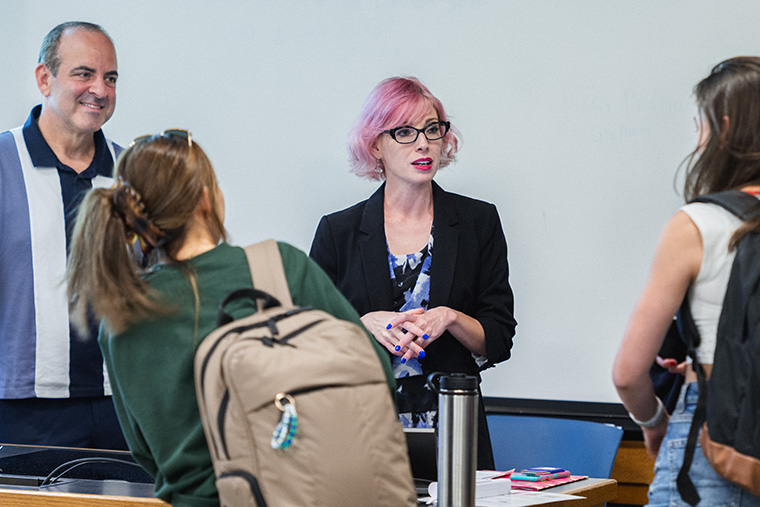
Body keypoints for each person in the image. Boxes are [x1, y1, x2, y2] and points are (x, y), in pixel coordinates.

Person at [65, 129, 396, 506]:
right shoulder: (280, 267)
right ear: (206, 199)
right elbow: (377, 374)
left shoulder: (120, 315)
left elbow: (146, 453)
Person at [309, 76, 517, 470]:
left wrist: (451, 317)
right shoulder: (339, 232)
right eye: (404, 132)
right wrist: (361, 323)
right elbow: (305, 338)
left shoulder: (478, 221)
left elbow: (499, 337)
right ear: (375, 146)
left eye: (432, 129)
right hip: (359, 432)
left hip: (455, 432)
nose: (423, 143)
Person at [613, 56, 760, 505]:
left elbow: (627, 373)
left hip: (711, 443)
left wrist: (655, 421)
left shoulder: (698, 223)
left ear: (725, 128)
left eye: (701, 122)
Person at [0, 21, 127, 449]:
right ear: (44, 78)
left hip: (122, 406)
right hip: (19, 409)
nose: (101, 90)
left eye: (110, 78)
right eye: (84, 74)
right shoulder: (3, 163)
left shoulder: (133, 172)